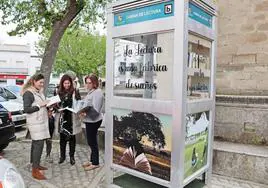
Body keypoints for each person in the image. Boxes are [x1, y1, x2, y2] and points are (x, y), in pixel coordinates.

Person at [22, 73, 50, 180]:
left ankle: (35, 164)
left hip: (41, 122)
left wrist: (47, 107)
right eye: (40, 82)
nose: (42, 84)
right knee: (39, 144)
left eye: (43, 82)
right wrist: (40, 105)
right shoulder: (28, 93)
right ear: (34, 81)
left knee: (36, 144)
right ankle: (35, 170)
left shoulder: (38, 92)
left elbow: (42, 104)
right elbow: (27, 109)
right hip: (35, 123)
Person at [81, 74, 104, 171]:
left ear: (95, 83)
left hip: (94, 120)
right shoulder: (91, 92)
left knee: (92, 141)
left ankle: (95, 163)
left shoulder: (97, 92)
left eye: (90, 83)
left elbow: (96, 110)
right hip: (89, 120)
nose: (88, 85)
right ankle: (92, 160)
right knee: (91, 141)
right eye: (87, 83)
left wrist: (85, 112)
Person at [57, 74, 81, 165]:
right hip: (62, 118)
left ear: (71, 83)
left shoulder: (75, 91)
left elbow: (79, 103)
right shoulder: (59, 92)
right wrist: (58, 108)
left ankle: (72, 157)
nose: (66, 85)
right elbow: (56, 104)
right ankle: (62, 156)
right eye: (65, 83)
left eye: (68, 83)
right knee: (62, 138)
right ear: (62, 83)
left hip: (71, 117)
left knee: (72, 138)